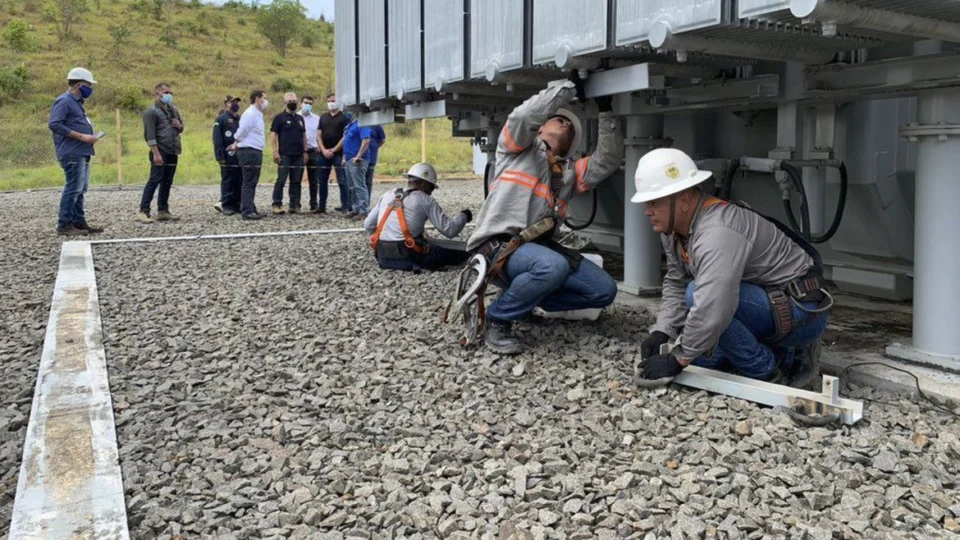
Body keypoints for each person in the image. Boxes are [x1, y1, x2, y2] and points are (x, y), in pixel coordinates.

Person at [634, 148, 830, 387]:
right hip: (770, 301)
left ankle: (768, 371)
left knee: (698, 297)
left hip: (803, 311)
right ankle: (788, 355)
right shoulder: (674, 231)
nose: (647, 211)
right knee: (703, 361)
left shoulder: (717, 232)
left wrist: (678, 358)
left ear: (683, 201)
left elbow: (713, 303)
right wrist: (662, 331)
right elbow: (676, 279)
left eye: (654, 202)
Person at [465, 75, 623, 355]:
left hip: (536, 252)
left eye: (572, 128)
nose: (566, 124)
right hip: (497, 247)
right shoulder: (515, 149)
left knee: (603, 290)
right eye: (558, 119)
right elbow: (524, 115)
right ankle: (498, 318)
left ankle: (521, 301)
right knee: (553, 266)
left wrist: (606, 111)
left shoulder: (570, 172)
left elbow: (607, 161)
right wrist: (568, 88)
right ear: (539, 129)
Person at [365, 163, 473, 272]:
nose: (431, 192)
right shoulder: (425, 200)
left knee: (425, 242)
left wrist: (390, 235)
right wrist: (464, 215)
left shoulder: (388, 194)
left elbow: (368, 225)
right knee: (455, 253)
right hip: (409, 258)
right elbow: (450, 230)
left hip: (383, 258)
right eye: (431, 187)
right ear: (424, 184)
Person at [48, 67, 103, 236]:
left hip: (81, 150)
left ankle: (78, 222)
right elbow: (54, 124)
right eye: (88, 85)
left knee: (80, 188)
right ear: (79, 84)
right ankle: (64, 224)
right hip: (72, 151)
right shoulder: (64, 101)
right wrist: (81, 136)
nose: (90, 88)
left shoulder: (76, 103)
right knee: (73, 188)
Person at [139, 82, 184, 223]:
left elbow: (181, 128)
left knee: (167, 181)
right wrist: (156, 153)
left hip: (173, 149)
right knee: (154, 179)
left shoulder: (174, 110)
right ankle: (143, 210)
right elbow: (149, 135)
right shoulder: (151, 112)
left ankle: (163, 210)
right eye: (165, 92)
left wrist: (179, 125)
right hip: (160, 149)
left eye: (170, 93)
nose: (168, 95)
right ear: (157, 94)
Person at [230, 90, 269, 220]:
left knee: (252, 181)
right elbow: (242, 131)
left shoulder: (258, 114)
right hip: (249, 150)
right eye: (264, 98)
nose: (265, 101)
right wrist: (236, 141)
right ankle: (247, 210)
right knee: (249, 181)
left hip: (255, 150)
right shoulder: (251, 113)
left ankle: (250, 207)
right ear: (257, 99)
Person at [269, 92, 307, 214]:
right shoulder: (279, 118)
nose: (292, 103)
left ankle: (294, 205)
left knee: (296, 180)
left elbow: (304, 135)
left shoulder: (300, 118)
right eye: (290, 101)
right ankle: (276, 204)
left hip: (298, 155)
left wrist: (305, 151)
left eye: (294, 101)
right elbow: (273, 135)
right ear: (285, 103)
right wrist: (275, 151)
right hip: (284, 154)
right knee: (281, 180)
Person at [212, 95, 243, 216]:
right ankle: (227, 204)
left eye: (236, 101)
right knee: (228, 179)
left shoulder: (241, 119)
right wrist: (219, 156)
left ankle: (238, 203)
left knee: (239, 179)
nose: (235, 104)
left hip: (240, 154)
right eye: (232, 102)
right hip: (227, 154)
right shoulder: (221, 119)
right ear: (226, 104)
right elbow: (217, 139)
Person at [318, 93, 348, 213]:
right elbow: (318, 135)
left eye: (333, 100)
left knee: (342, 180)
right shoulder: (323, 117)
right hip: (323, 153)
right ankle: (321, 206)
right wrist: (323, 149)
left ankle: (345, 205)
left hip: (339, 153)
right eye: (329, 101)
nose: (331, 103)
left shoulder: (345, 117)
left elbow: (345, 135)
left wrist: (334, 149)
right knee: (322, 180)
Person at [342, 115, 372, 220]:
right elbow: (348, 141)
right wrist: (344, 157)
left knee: (359, 186)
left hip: (358, 160)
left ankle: (363, 211)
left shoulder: (363, 123)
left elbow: (366, 140)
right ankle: (356, 209)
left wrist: (359, 156)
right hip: (349, 159)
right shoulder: (351, 125)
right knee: (352, 186)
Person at [299, 95, 323, 213]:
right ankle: (295, 204)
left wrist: (320, 147)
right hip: (299, 152)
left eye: (310, 103)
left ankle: (314, 204)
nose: (307, 105)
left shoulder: (317, 119)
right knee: (296, 178)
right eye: (305, 102)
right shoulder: (296, 117)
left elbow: (320, 134)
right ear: (301, 103)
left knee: (314, 180)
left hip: (314, 151)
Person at [365, 124, 387, 199]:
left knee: (368, 180)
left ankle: (367, 201)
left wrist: (374, 146)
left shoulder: (376, 125)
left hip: (371, 157)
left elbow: (382, 139)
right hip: (359, 157)